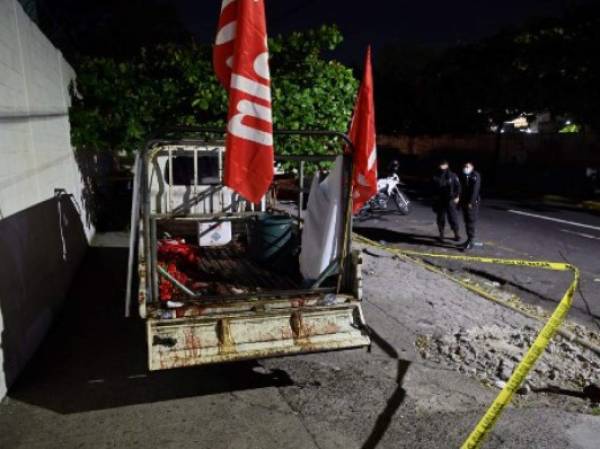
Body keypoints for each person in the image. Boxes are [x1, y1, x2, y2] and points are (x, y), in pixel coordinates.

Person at [432, 160, 461, 242]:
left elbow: (458, 187)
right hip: (440, 200)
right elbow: (432, 188)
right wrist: (434, 199)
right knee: (440, 218)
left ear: (447, 165)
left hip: (450, 200)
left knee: (453, 217)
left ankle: (456, 234)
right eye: (440, 165)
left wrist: (457, 196)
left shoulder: (452, 175)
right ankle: (441, 234)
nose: (441, 167)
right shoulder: (436, 175)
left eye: (443, 165)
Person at [460, 161, 481, 251]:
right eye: (465, 166)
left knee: (470, 222)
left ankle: (470, 242)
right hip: (465, 202)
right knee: (467, 222)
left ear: (472, 167)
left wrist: (471, 203)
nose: (465, 168)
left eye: (467, 166)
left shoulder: (475, 175)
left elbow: (475, 190)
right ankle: (468, 240)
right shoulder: (465, 176)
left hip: (472, 204)